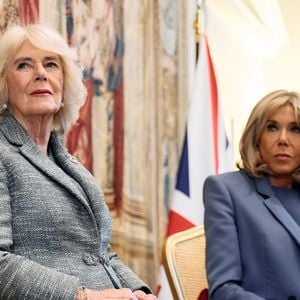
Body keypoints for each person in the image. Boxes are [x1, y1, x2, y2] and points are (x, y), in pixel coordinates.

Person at [0, 23, 157, 300]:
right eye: (24, 65)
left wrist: (138, 290)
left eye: (51, 64)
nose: (40, 74)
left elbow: (99, 253)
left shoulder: (66, 161)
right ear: (4, 83)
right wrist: (85, 297)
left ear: (65, 82)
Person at [204, 89, 300, 300]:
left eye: (295, 129)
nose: (283, 139)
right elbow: (223, 290)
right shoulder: (225, 190)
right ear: (256, 138)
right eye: (272, 127)